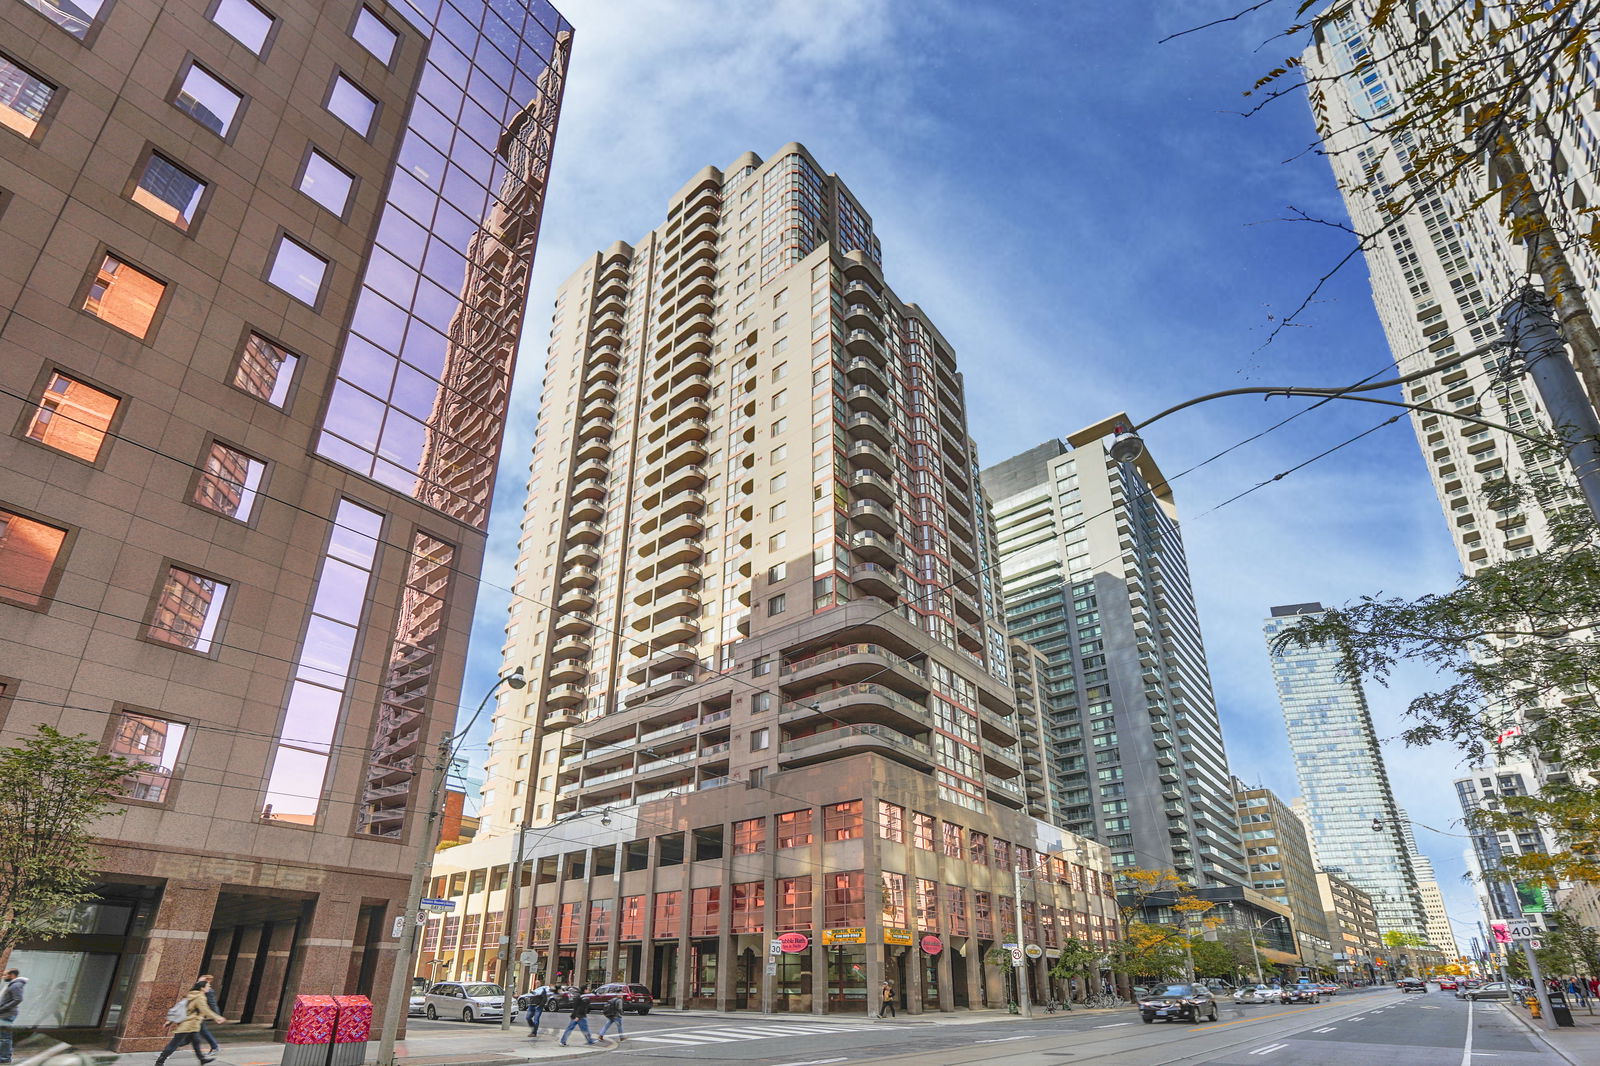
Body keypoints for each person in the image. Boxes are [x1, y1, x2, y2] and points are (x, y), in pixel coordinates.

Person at [155, 981, 225, 1066]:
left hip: (192, 1025)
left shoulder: (192, 995)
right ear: (202, 988)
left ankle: (202, 1059)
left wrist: (170, 1021)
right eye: (208, 986)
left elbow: (182, 1009)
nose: (209, 988)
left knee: (196, 1041)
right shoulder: (199, 997)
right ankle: (160, 1062)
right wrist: (217, 1017)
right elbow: (205, 1010)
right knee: (174, 1043)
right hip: (188, 1025)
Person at [0, 969, 26, 1066]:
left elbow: (18, 999)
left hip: (7, 1014)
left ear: (12, 975)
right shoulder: (13, 984)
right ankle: (4, 1057)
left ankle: (4, 1058)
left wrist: (2, 1008)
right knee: (4, 1037)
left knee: (5, 1037)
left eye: (5, 975)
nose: (4, 977)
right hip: (5, 1014)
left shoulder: (16, 985)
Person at [197, 975, 222, 1054]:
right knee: (201, 1031)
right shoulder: (198, 989)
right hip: (195, 1015)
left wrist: (217, 1016)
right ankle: (215, 1047)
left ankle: (215, 1047)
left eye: (200, 981)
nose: (198, 982)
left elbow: (213, 1004)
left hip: (200, 1015)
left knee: (202, 1031)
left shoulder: (209, 991)